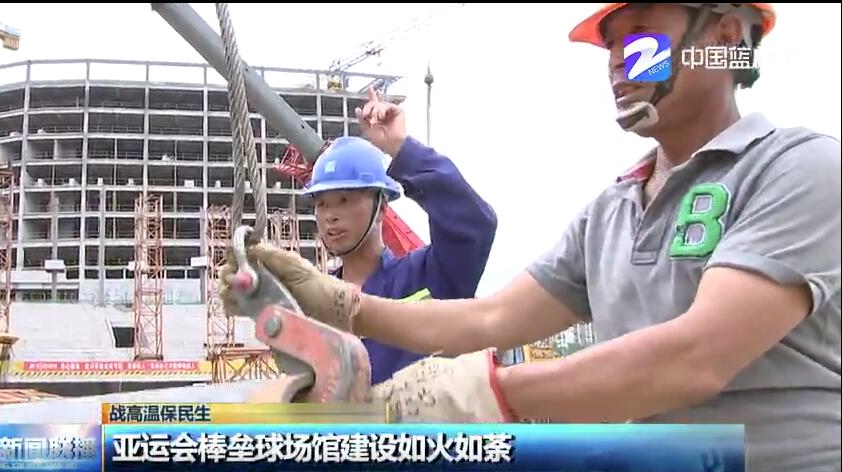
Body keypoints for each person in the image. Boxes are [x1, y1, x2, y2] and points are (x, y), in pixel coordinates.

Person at [222, 3, 840, 470]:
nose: (617, 61)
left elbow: (694, 359)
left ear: (724, 39)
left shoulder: (796, 169)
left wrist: (480, 393)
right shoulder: (611, 213)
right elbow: (490, 319)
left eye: (639, 36)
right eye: (610, 46)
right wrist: (339, 304)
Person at [269, 87, 498, 385]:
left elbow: (473, 224)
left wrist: (401, 147)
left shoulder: (427, 278)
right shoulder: (315, 302)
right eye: (322, 203)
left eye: (345, 200)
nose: (330, 215)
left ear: (381, 207)